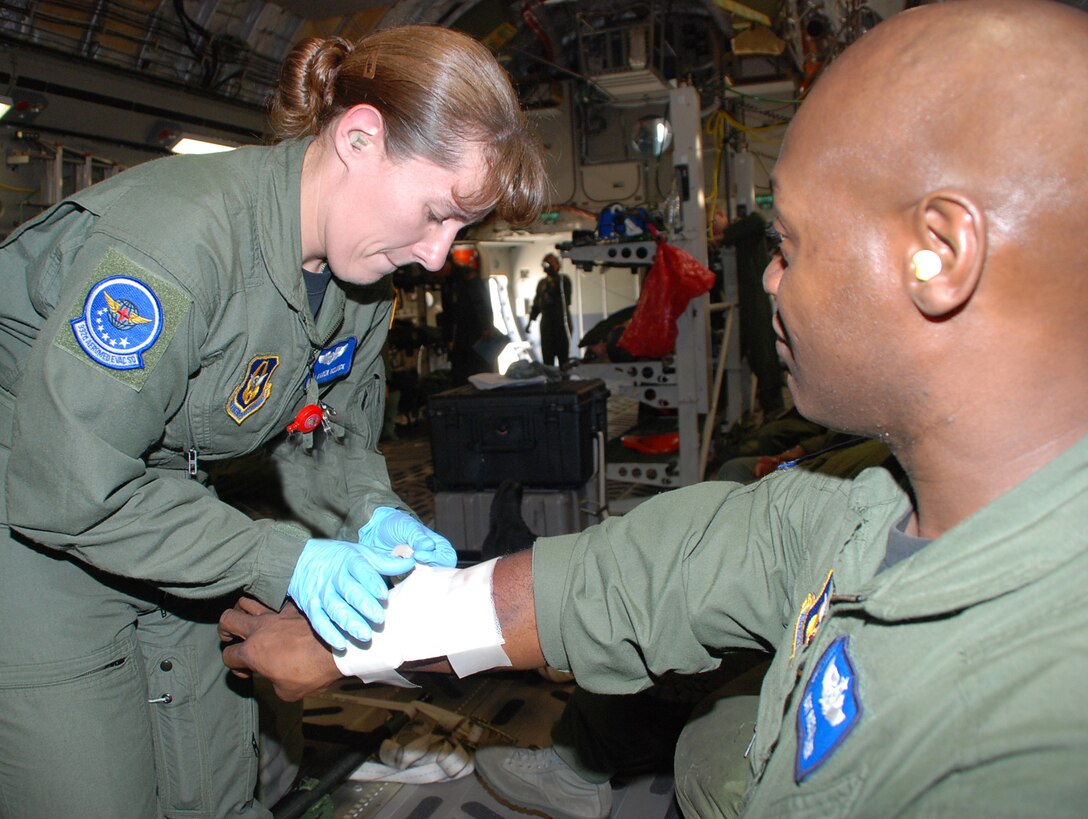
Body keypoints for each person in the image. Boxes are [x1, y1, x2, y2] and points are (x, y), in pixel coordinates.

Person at [219, 1, 1088, 816]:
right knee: (715, 740)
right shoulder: (879, 503)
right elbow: (655, 572)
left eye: (788, 242)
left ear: (937, 255)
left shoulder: (1018, 740)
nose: (772, 281)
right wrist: (360, 640)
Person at [0, 24, 547, 817]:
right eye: (435, 214)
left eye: (458, 230)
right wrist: (281, 558)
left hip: (166, 502)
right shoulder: (178, 241)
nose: (437, 255)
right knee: (94, 787)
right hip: (34, 510)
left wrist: (371, 510)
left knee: (213, 775)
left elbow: (322, 432)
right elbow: (69, 481)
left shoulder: (362, 289)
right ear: (359, 137)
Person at [527, 252, 574, 366]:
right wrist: (530, 321)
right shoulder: (542, 283)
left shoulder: (563, 280)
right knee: (547, 358)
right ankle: (550, 381)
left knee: (563, 359)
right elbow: (537, 303)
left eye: (551, 264)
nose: (548, 266)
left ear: (557, 265)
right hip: (547, 324)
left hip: (561, 322)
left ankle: (565, 381)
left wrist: (555, 280)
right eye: (546, 264)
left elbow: (566, 300)